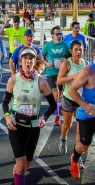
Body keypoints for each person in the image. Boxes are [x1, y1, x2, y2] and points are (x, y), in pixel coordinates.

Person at [3, 47, 56, 185]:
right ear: (20, 61)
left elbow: (53, 105)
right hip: (16, 126)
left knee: (26, 165)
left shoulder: (41, 82)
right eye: (25, 58)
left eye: (30, 59)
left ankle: (17, 173)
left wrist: (44, 117)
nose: (28, 61)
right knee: (21, 164)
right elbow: (5, 103)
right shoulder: (13, 80)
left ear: (34, 61)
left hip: (33, 127)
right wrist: (8, 117)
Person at [56, 40, 86, 169]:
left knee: (81, 128)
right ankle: (63, 139)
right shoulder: (67, 64)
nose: (79, 52)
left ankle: (77, 158)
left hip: (81, 99)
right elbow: (59, 80)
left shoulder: (85, 64)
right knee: (68, 124)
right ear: (71, 51)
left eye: (81, 49)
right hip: (68, 98)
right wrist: (73, 76)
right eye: (76, 49)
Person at [68, 52, 95, 179]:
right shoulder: (88, 71)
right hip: (87, 115)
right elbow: (71, 89)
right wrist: (85, 105)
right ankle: (75, 158)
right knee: (84, 146)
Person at [43, 26, 70, 126]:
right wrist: (46, 63)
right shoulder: (47, 46)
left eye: (60, 34)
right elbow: (42, 56)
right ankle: (57, 115)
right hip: (51, 73)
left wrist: (66, 61)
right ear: (52, 35)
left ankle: (58, 109)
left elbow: (69, 55)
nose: (59, 36)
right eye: (57, 34)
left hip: (62, 73)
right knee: (55, 93)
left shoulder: (65, 45)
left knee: (60, 94)